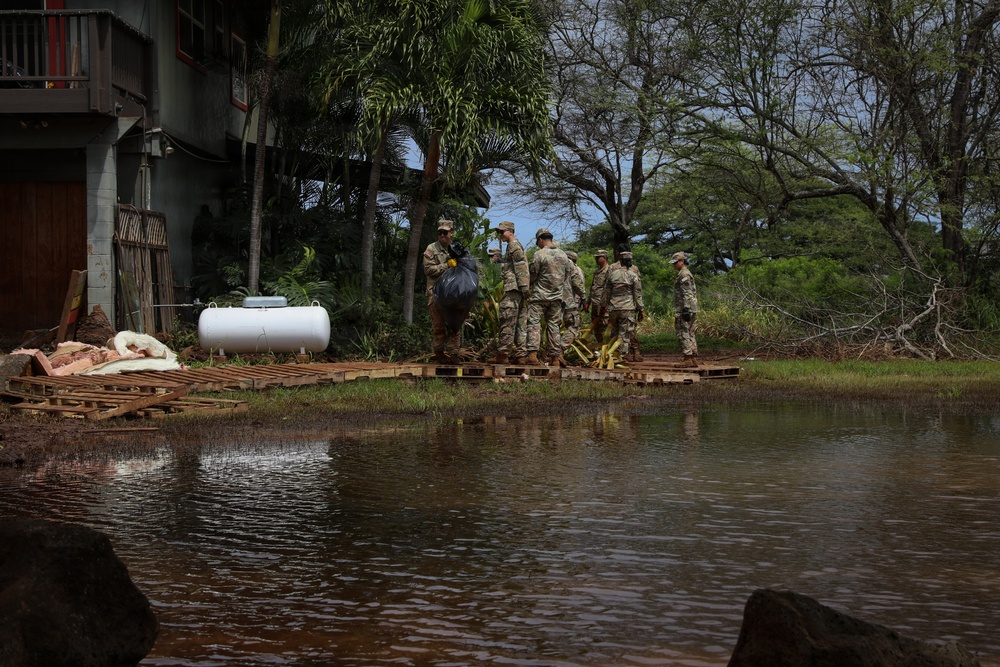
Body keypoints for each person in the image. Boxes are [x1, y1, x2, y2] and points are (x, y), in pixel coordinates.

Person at [525, 228, 572, 365]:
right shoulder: (564, 256)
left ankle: (533, 355)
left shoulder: (539, 254)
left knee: (534, 323)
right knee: (554, 326)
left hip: (539, 296)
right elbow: (567, 276)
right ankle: (555, 358)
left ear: (540, 240)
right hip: (557, 297)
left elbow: (532, 275)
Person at [422, 219, 461, 363]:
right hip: (436, 293)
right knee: (438, 325)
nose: (442, 235)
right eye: (440, 233)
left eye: (445, 232)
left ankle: (454, 354)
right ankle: (439, 353)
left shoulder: (456, 248)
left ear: (451, 233)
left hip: (453, 294)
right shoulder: (431, 249)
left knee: (455, 324)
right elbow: (428, 270)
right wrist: (446, 265)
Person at [493, 221, 530, 364]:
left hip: (513, 288)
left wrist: (524, 287)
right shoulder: (513, 245)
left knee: (507, 320)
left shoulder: (513, 245)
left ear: (510, 231)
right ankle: (521, 355)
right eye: (499, 232)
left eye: (502, 232)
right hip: (518, 289)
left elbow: (520, 266)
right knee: (520, 322)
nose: (500, 234)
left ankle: (503, 355)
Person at [602, 251, 644, 363]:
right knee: (625, 333)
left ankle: (614, 354)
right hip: (627, 308)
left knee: (615, 332)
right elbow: (637, 294)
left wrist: (604, 306)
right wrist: (641, 309)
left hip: (613, 308)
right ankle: (623, 355)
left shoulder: (612, 274)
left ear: (620, 261)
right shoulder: (633, 276)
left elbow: (606, 293)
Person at [672, 251, 699, 367]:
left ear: (682, 261)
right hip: (691, 307)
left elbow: (687, 293)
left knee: (683, 332)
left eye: (675, 263)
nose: (674, 265)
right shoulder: (685, 273)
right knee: (690, 332)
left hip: (685, 308)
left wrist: (686, 309)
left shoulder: (684, 274)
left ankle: (687, 357)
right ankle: (692, 357)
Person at [560, 251, 587, 357]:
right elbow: (578, 285)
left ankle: (550, 351)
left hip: (553, 300)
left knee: (553, 325)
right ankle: (560, 349)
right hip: (569, 302)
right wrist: (583, 298)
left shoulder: (557, 264)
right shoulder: (576, 269)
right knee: (573, 325)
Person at [586, 249, 611, 343]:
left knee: (604, 325)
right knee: (595, 326)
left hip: (603, 304)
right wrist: (588, 302)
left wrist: (605, 304)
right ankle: (600, 345)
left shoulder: (609, 270)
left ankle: (606, 348)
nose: (596, 260)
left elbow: (608, 289)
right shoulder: (597, 271)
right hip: (595, 303)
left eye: (598, 257)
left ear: (604, 258)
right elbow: (593, 287)